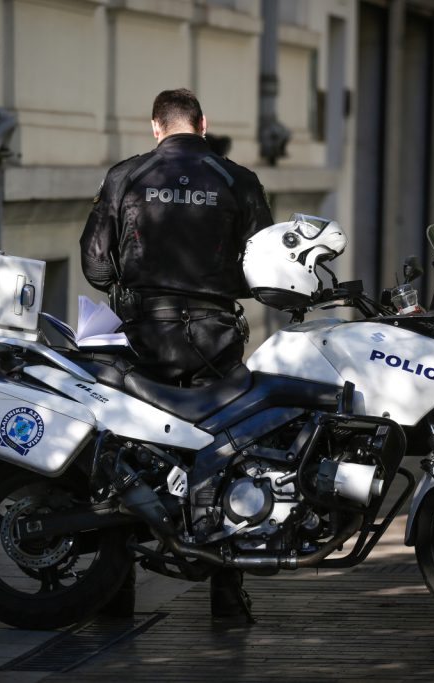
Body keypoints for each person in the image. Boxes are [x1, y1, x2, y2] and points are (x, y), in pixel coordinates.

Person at [80, 88, 274, 620]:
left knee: (126, 453)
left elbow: (96, 265)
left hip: (144, 336)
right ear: (203, 124)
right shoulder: (237, 179)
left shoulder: (125, 176)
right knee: (226, 450)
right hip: (216, 340)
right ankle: (227, 594)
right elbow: (265, 271)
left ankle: (115, 593)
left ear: (155, 126)